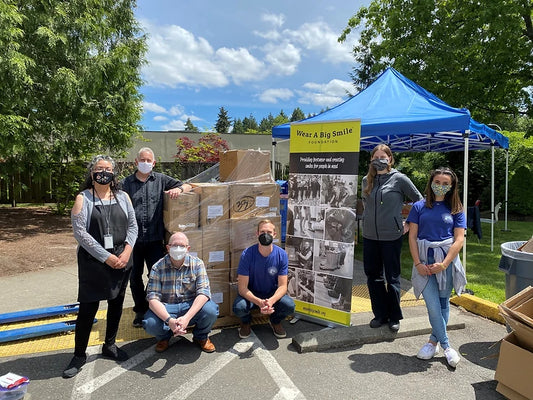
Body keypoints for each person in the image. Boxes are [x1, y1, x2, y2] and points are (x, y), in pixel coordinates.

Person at [63, 155, 138, 379]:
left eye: (107, 168)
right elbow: (81, 234)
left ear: (114, 173)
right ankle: (79, 354)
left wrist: (126, 252)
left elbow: (133, 226)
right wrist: (106, 257)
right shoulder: (82, 198)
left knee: (116, 303)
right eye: (99, 168)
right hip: (94, 262)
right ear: (91, 173)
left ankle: (110, 345)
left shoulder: (123, 197)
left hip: (122, 259)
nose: (103, 172)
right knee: (88, 309)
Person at [121, 147, 193, 328]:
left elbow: (188, 185)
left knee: (156, 274)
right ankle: (140, 310)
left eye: (149, 161)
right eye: (142, 160)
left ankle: (152, 307)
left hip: (155, 239)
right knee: (134, 277)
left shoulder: (161, 180)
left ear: (153, 163)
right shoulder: (125, 184)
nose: (146, 163)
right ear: (136, 162)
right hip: (133, 241)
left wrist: (179, 190)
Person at [406, 167, 467, 368]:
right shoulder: (418, 207)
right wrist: (418, 264)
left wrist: (445, 264)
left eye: (445, 183)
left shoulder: (456, 208)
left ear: (451, 187)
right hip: (423, 261)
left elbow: (459, 240)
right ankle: (448, 346)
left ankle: (433, 342)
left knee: (443, 303)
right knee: (432, 305)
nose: (440, 186)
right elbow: (412, 237)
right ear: (431, 182)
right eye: (437, 182)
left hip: (445, 262)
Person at [361, 144, 422, 332]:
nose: (379, 159)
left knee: (392, 277)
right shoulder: (366, 180)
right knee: (373, 277)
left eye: (383, 156)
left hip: (392, 236)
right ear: (371, 160)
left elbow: (419, 200)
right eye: (375, 156)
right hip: (370, 236)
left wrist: (408, 223)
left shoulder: (399, 179)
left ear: (390, 159)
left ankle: (394, 316)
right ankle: (380, 314)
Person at [142, 231, 218, 353]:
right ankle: (164, 338)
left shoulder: (197, 264)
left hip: (189, 306)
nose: (178, 249)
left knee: (211, 310)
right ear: (168, 248)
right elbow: (152, 299)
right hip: (167, 308)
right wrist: (169, 321)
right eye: (174, 245)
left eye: (182, 246)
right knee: (150, 323)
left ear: (188, 249)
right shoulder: (157, 267)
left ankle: (201, 337)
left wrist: (187, 318)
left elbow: (203, 293)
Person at [233, 219, 295, 339]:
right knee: (239, 307)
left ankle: (275, 321)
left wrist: (270, 301)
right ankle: (246, 322)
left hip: (271, 295)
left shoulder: (281, 255)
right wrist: (259, 302)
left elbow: (283, 286)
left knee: (289, 306)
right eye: (262, 232)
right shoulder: (247, 254)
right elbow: (242, 288)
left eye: (269, 232)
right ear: (257, 234)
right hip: (251, 295)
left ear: (274, 235)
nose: (265, 235)